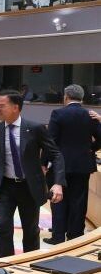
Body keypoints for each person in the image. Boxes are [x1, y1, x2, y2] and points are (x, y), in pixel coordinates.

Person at [0, 90, 65, 258]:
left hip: (29, 187)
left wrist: (58, 182)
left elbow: (56, 154)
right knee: (2, 227)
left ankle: (28, 264)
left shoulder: (35, 128)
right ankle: (3, 265)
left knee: (30, 230)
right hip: (5, 186)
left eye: (2, 106)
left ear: (15, 107)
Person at [44, 84, 101, 244]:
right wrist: (91, 148)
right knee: (78, 200)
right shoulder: (90, 115)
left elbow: (50, 141)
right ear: (82, 98)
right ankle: (75, 236)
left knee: (58, 199)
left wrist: (44, 162)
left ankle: (58, 236)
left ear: (66, 97)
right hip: (83, 165)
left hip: (60, 164)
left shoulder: (58, 113)